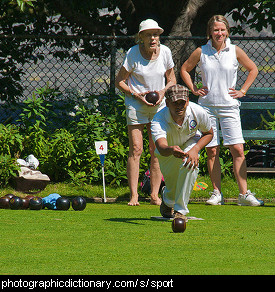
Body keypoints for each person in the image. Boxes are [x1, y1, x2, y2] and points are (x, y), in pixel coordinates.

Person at [180, 15, 263, 206]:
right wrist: (193, 89)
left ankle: (244, 195)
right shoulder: (201, 51)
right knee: (211, 150)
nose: (219, 33)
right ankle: (216, 193)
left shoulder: (235, 50)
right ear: (210, 31)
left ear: (227, 31)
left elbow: (253, 69)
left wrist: (242, 90)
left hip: (229, 107)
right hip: (206, 107)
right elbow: (185, 69)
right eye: (216, 30)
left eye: (222, 30)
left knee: (237, 149)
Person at [115, 19, 176, 206]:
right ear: (141, 37)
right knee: (136, 149)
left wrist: (162, 92)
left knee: (157, 149)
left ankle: (154, 195)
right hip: (136, 104)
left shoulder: (165, 52)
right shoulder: (132, 53)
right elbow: (120, 82)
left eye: (156, 34)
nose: (153, 38)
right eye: (149, 34)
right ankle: (134, 195)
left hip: (159, 105)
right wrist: (136, 94)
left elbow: (172, 79)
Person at [151, 84, 213, 220]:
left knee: (189, 163)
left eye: (182, 103)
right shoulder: (158, 119)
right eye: (175, 103)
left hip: (191, 142)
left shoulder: (198, 112)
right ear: (167, 103)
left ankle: (180, 211)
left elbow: (209, 133)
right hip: (168, 151)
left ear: (188, 101)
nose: (179, 106)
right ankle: (167, 200)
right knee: (172, 186)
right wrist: (171, 150)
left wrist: (195, 149)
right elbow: (161, 147)